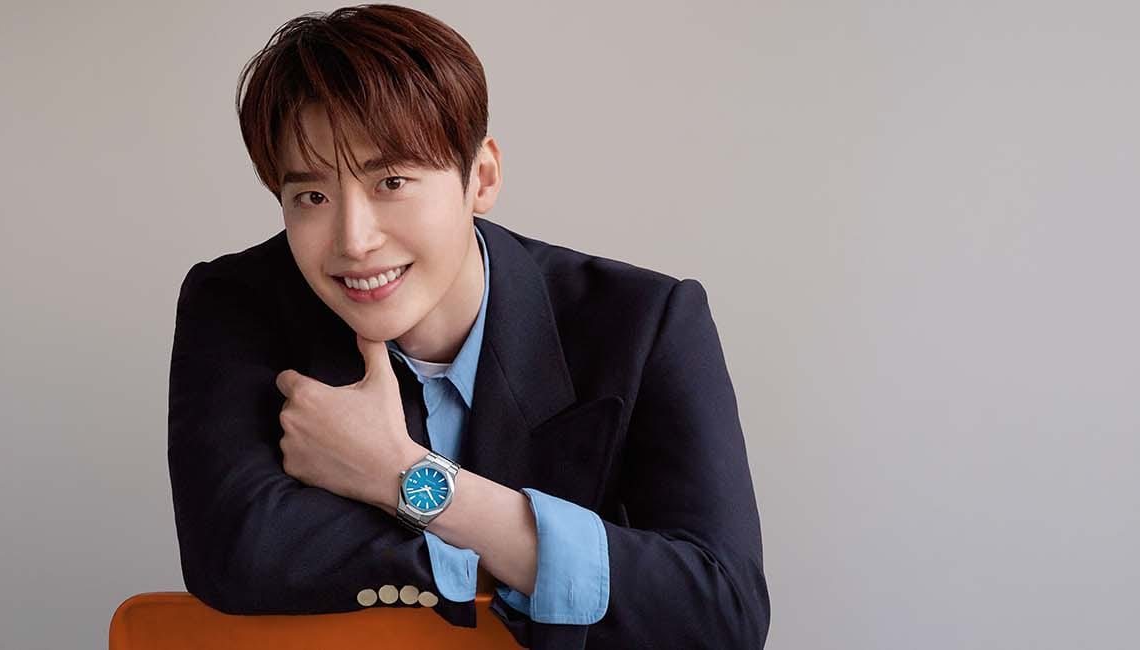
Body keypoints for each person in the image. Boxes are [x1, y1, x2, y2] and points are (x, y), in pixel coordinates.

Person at [166, 5, 768, 648]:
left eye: (392, 181)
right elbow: (236, 558)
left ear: (480, 178)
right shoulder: (236, 302)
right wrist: (523, 559)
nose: (354, 240)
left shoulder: (644, 320)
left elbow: (719, 612)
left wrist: (400, 474)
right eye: (311, 197)